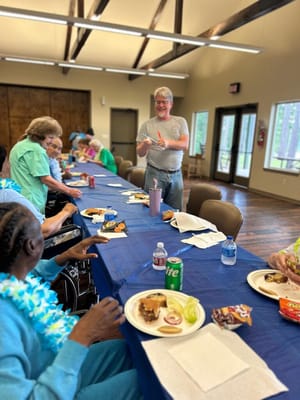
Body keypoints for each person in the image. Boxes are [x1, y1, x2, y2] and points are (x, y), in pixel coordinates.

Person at [0, 202, 142, 400]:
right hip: (49, 390)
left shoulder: (10, 275)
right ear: (32, 246)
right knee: (147, 383)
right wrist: (82, 336)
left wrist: (63, 257)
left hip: (53, 364)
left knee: (133, 352)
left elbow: (34, 274)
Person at [9, 116, 82, 214]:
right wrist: (69, 191)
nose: (52, 141)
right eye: (51, 137)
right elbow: (46, 179)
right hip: (31, 200)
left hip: (19, 197)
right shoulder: (36, 150)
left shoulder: (20, 145)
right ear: (40, 135)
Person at [136, 86, 189, 210]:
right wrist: (145, 145)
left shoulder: (180, 122)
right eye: (158, 102)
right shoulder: (147, 125)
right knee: (152, 210)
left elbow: (184, 145)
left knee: (174, 212)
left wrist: (167, 143)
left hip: (176, 175)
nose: (161, 105)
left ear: (171, 104)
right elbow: (140, 153)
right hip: (154, 174)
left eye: (164, 102)